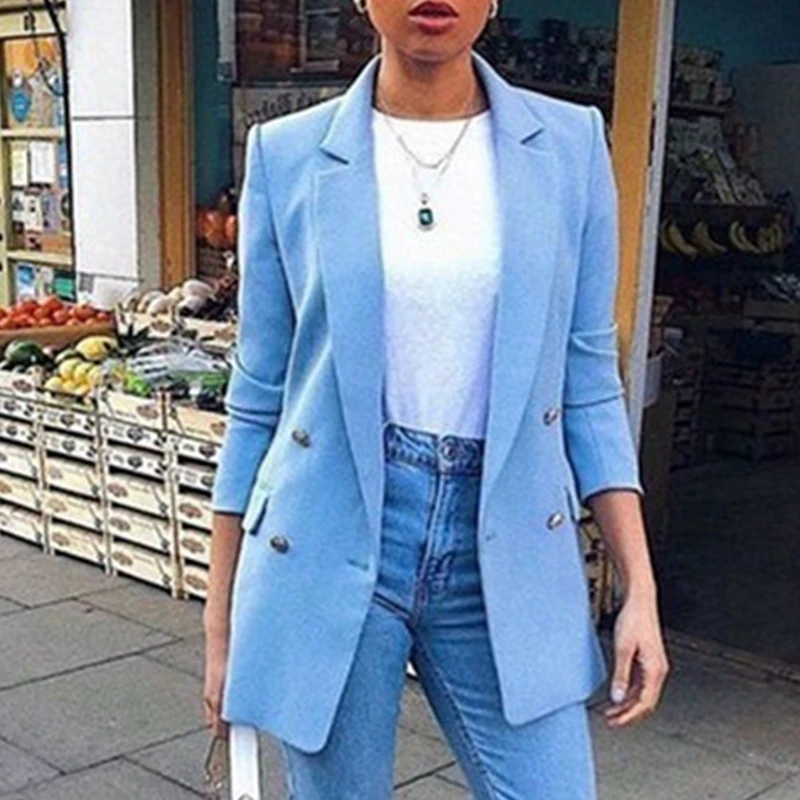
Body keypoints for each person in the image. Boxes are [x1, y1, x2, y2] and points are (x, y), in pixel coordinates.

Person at [203, 1, 670, 797]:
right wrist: (220, 623)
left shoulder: (569, 146)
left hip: (507, 532)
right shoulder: (287, 155)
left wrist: (640, 590)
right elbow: (259, 397)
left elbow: (589, 382)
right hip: (330, 527)